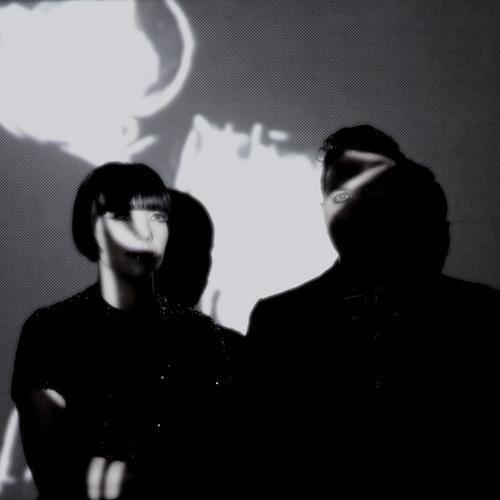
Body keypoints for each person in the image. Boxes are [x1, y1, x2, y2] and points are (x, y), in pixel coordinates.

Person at [245, 125, 500, 486]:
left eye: (374, 188)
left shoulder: (482, 316)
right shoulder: (280, 321)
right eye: (340, 195)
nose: (357, 205)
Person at [11, 163, 241, 499]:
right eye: (123, 217)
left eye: (158, 218)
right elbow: (55, 467)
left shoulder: (209, 339)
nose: (146, 234)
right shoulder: (52, 330)